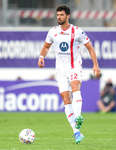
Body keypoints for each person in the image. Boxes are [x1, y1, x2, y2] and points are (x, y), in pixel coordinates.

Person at [38, 5, 101, 144]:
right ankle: (77, 132)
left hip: (74, 67)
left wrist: (95, 65)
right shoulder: (53, 32)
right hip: (60, 70)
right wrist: (41, 57)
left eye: (61, 15)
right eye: (57, 15)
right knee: (66, 100)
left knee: (75, 87)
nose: (59, 17)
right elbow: (46, 46)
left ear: (68, 16)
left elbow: (90, 48)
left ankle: (78, 117)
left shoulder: (77, 32)